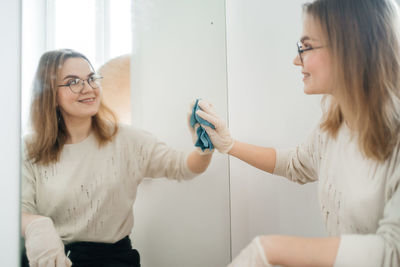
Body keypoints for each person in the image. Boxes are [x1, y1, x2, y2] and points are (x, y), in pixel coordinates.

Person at [195, 0, 400, 266]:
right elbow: (295, 164)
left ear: (349, 48)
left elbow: (393, 252)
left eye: (306, 47)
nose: (296, 60)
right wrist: (230, 145)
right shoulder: (334, 126)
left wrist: (270, 249)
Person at [21, 49, 213, 267]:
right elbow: (19, 210)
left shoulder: (127, 140)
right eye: (73, 81)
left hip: (113, 261)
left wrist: (204, 146)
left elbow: (184, 167)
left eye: (91, 78)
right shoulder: (29, 148)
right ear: (51, 94)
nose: (89, 88)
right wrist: (37, 226)